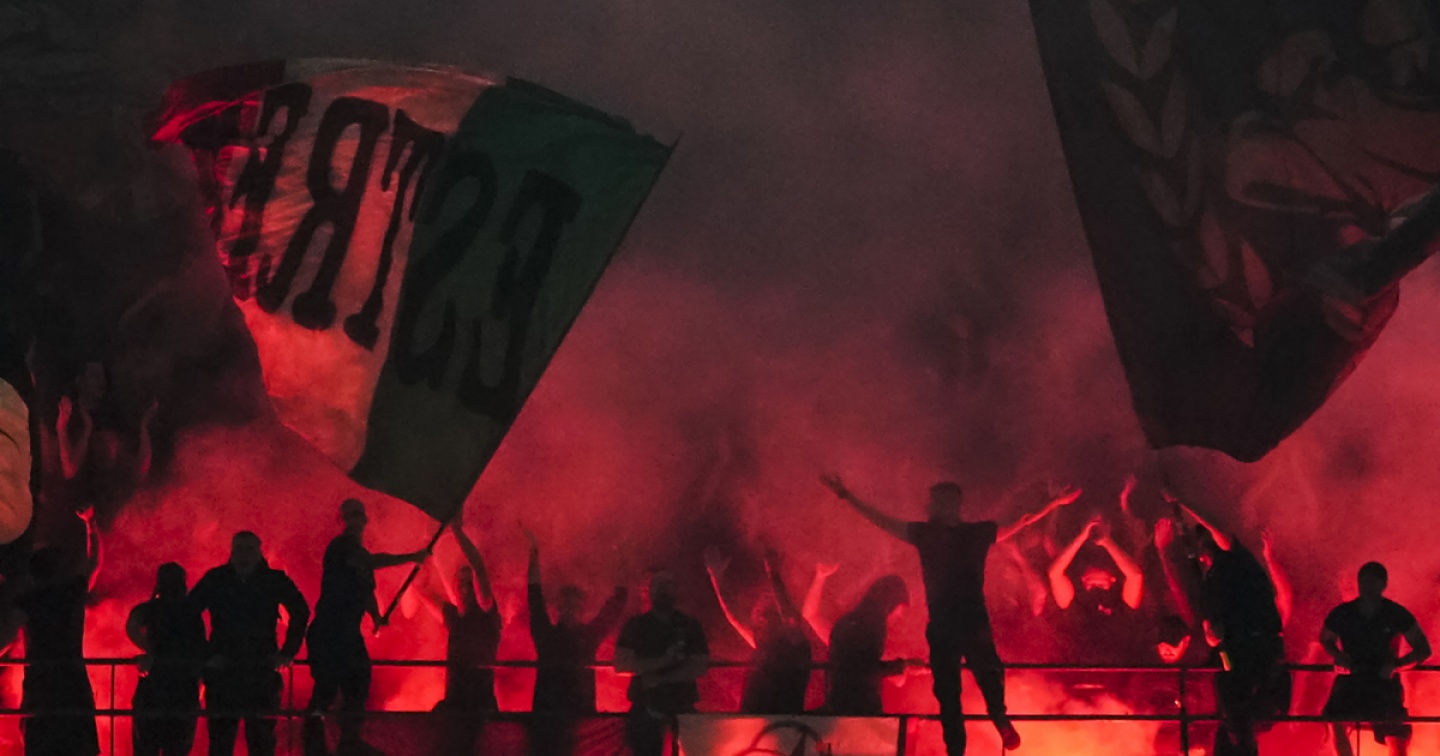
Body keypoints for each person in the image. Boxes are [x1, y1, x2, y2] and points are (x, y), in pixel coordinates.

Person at [822, 474, 1080, 754]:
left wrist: (847, 496)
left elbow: (883, 521)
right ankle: (999, 718)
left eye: (934, 502)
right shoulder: (976, 533)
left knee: (949, 693)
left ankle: (959, 748)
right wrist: (1054, 503)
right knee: (987, 673)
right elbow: (1024, 519)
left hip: (944, 625)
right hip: (972, 619)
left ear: (938, 505)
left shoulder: (927, 534)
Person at [304, 499, 428, 756]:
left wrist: (376, 617)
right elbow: (370, 561)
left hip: (347, 631)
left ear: (364, 519)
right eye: (349, 514)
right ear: (341, 520)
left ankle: (348, 741)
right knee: (327, 688)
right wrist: (412, 557)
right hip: (329, 629)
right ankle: (314, 745)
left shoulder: (358, 557)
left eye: (358, 514)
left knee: (358, 683)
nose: (354, 519)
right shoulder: (341, 547)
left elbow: (366, 590)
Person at [1171, 497, 1290, 756]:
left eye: (1205, 546)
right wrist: (1212, 636)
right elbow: (1209, 627)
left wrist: (1183, 501)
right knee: (1230, 722)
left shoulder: (1236, 562)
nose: (1203, 554)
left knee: (1239, 718)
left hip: (1258, 650)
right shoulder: (1209, 584)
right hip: (1232, 655)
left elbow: (1217, 529)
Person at [190, 530, 311, 756]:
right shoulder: (218, 578)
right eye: (239, 549)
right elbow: (189, 612)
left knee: (261, 743)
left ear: (259, 552)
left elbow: (301, 611)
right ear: (231, 552)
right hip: (228, 673)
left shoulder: (270, 579)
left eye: (248, 549)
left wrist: (288, 652)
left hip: (259, 670)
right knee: (221, 744)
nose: (243, 554)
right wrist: (206, 654)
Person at [0, 508, 102, 756]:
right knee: (79, 745)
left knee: (41, 745)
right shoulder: (71, 593)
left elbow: (9, 636)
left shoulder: (29, 601)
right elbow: (93, 563)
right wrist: (90, 525)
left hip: (41, 687)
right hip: (73, 683)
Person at [523, 524, 628, 755]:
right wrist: (534, 551)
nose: (570, 609)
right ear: (559, 607)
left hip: (573, 721)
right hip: (550, 720)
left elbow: (618, 600)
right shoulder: (549, 634)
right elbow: (534, 595)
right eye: (567, 603)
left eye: (574, 604)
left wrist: (619, 554)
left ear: (581, 609)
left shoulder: (585, 636)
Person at [1320, 562, 1430, 756]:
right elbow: (1326, 638)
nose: (1367, 587)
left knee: (1396, 732)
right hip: (1352, 679)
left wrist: (1397, 665)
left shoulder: (1396, 613)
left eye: (1373, 582)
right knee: (1333, 717)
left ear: (1383, 585)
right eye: (1364, 582)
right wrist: (1338, 655)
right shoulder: (1343, 613)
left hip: (1384, 682)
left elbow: (1423, 649)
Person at [704, 547, 819, 714]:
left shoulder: (794, 641)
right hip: (753, 717)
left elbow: (789, 615)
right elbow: (733, 616)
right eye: (758, 605)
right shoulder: (764, 641)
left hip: (780, 717)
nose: (758, 608)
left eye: (765, 604)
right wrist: (717, 579)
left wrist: (773, 574)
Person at [614, 569, 709, 756]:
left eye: (667, 585)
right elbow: (621, 664)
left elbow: (700, 665)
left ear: (676, 590)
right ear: (650, 591)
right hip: (645, 707)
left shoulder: (690, 625)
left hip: (682, 707)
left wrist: (658, 677)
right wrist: (662, 662)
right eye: (659, 585)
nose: (663, 590)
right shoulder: (635, 625)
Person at [417, 515, 502, 715]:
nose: (465, 588)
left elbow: (479, 570)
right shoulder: (453, 616)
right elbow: (421, 588)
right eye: (461, 582)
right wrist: (426, 550)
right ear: (454, 585)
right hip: (454, 700)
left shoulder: (486, 612)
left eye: (469, 583)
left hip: (481, 702)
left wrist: (457, 531)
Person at [127, 562, 206, 756]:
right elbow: (200, 649)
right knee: (176, 747)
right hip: (183, 690)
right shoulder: (191, 613)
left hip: (154, 688)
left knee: (147, 746)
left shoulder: (152, 609)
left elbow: (132, 625)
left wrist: (149, 651)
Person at [815, 574, 910, 716]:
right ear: (891, 602)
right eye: (900, 607)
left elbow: (856, 663)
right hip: (859, 707)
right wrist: (900, 666)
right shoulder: (873, 624)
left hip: (839, 703)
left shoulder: (849, 620)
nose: (899, 614)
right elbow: (865, 668)